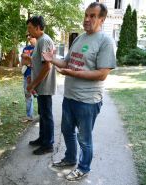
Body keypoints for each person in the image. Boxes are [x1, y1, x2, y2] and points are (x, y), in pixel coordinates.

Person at [42, 2, 116, 181]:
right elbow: (67, 63)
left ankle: (84, 167)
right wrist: (52, 59)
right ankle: (70, 158)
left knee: (84, 138)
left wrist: (74, 73)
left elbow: (102, 74)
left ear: (102, 19)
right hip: (69, 97)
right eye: (86, 15)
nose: (87, 19)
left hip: (88, 100)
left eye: (92, 16)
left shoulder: (105, 41)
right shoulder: (79, 38)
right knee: (67, 131)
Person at [25, 16, 57, 155]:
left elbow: (47, 67)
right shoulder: (40, 40)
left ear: (38, 27)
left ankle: (48, 144)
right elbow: (39, 63)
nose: (28, 31)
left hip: (45, 86)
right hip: (40, 85)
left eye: (30, 28)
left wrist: (33, 84)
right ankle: (43, 139)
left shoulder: (44, 40)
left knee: (46, 115)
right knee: (43, 114)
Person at [20, 34, 37, 123]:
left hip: (36, 76)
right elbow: (23, 62)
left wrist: (28, 58)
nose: (29, 38)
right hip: (27, 75)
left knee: (39, 96)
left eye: (31, 36)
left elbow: (39, 63)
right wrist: (25, 60)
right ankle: (29, 116)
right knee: (28, 95)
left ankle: (43, 115)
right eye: (28, 36)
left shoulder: (39, 47)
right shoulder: (26, 49)